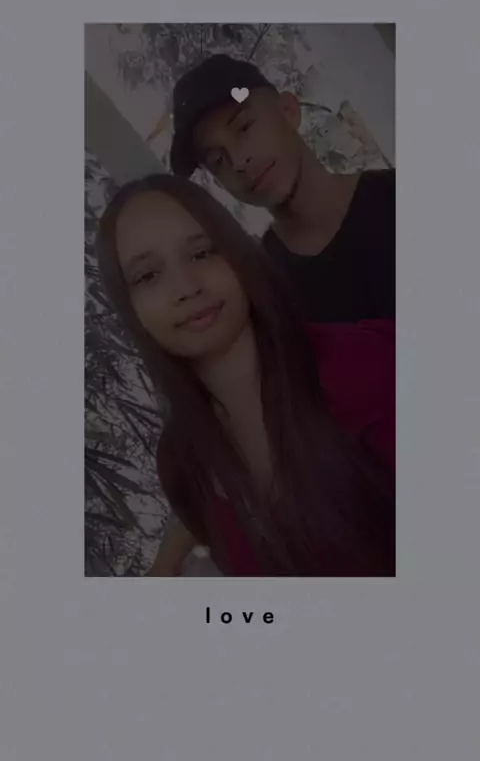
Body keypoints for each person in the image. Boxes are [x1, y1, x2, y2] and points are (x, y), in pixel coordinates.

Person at [97, 173, 395, 578]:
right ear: (130, 308)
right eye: (148, 276)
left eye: (202, 253)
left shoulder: (368, 361)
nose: (186, 287)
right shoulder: (180, 462)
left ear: (237, 253)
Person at [170, 53, 395, 323]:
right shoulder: (266, 290)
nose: (238, 161)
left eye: (244, 127)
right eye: (217, 160)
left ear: (288, 111)